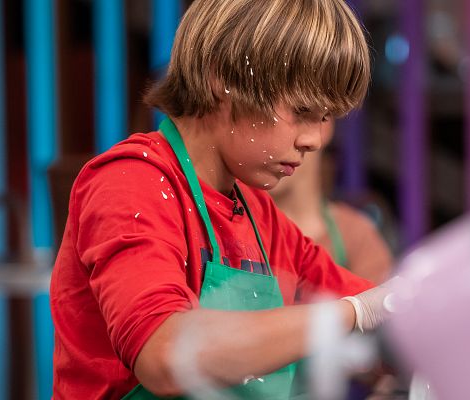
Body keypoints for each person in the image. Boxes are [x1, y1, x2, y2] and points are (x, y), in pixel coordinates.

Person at [49, 1, 390, 398]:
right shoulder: (128, 183)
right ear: (221, 78)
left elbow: (370, 309)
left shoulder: (259, 216)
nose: (313, 140)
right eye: (301, 111)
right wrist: (351, 314)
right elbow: (166, 355)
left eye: (325, 118)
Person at [270, 120, 393, 286]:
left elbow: (379, 305)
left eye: (296, 114)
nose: (271, 146)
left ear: (322, 125)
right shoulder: (235, 228)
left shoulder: (357, 237)